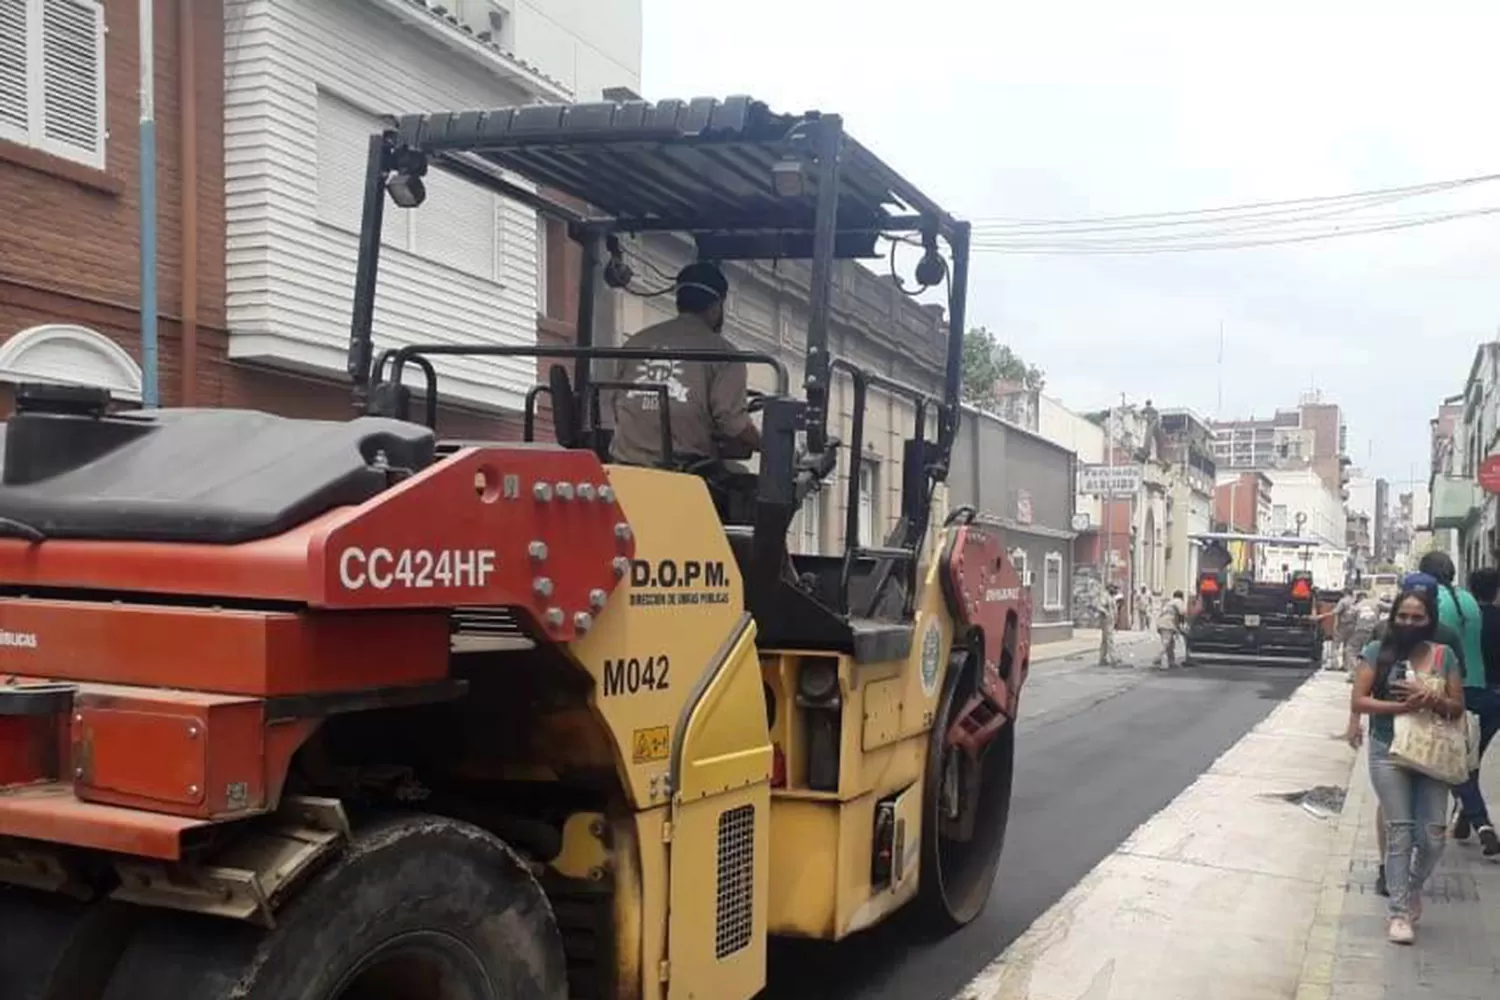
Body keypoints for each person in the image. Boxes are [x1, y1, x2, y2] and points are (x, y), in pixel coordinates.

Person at [1349, 586, 1465, 945]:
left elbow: (1458, 707)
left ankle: (1412, 888)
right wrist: (1400, 708)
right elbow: (1360, 700)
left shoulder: (1445, 657)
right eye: (1403, 616)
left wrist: (1433, 698)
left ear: (1430, 621)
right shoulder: (1376, 652)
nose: (1409, 622)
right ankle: (1398, 913)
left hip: (1433, 752)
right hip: (1388, 749)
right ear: (1393, 617)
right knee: (1400, 831)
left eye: (1418, 617)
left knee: (1432, 837)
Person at [611, 262, 761, 470]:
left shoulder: (634, 344)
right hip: (682, 472)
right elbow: (731, 421)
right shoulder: (726, 355)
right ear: (716, 307)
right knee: (743, 478)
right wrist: (764, 443)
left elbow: (614, 404)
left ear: (678, 301)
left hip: (623, 465)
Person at [1414, 552, 1494, 856]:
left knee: (1453, 763)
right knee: (1466, 760)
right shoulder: (1470, 601)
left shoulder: (1432, 602)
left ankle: (1481, 823)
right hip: (1480, 688)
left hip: (1450, 691)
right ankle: (1465, 818)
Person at [1455, 566, 1500, 857]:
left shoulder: (1467, 621)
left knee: (1459, 761)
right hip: (1497, 698)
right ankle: (1466, 816)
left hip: (1470, 693)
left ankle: (1481, 825)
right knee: (1472, 759)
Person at [1152, 589, 1187, 669]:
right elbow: (1182, 613)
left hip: (1161, 622)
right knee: (1166, 643)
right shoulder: (1179, 602)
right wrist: (1182, 626)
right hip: (1168, 623)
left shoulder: (1169, 603)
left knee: (1171, 644)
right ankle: (1157, 659)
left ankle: (1171, 662)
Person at [1096, 583, 1120, 666]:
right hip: (1107, 621)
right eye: (1114, 588)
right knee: (1110, 639)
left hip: (1111, 621)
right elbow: (1100, 606)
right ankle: (1114, 659)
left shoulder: (1111, 597)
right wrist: (1106, 613)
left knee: (1105, 641)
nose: (1115, 590)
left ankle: (1102, 659)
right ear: (1109, 588)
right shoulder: (1105, 596)